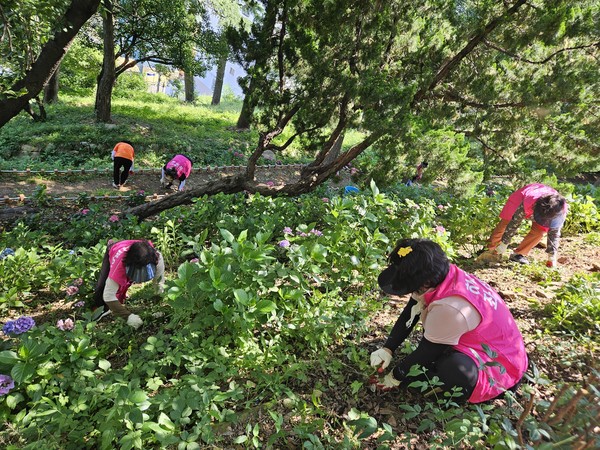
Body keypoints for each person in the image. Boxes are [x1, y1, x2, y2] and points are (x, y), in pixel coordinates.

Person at [370, 238, 528, 403]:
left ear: (425, 283)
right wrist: (388, 348)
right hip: (501, 348)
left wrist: (396, 377)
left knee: (453, 368)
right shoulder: (444, 275)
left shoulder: (450, 308)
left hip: (500, 370)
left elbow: (428, 351)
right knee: (440, 351)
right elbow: (412, 309)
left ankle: (455, 393)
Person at [476, 183, 567, 266]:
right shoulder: (529, 201)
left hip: (545, 211)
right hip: (522, 198)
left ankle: (518, 254)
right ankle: (491, 249)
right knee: (505, 223)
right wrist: (504, 243)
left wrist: (552, 256)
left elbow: (554, 233)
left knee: (540, 231)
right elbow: (514, 223)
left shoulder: (559, 211)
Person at [93, 239, 165, 328]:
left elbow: (159, 284)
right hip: (115, 249)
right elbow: (108, 296)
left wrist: (157, 307)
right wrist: (128, 316)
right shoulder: (120, 265)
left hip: (133, 248)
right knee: (101, 287)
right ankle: (99, 311)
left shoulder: (157, 258)